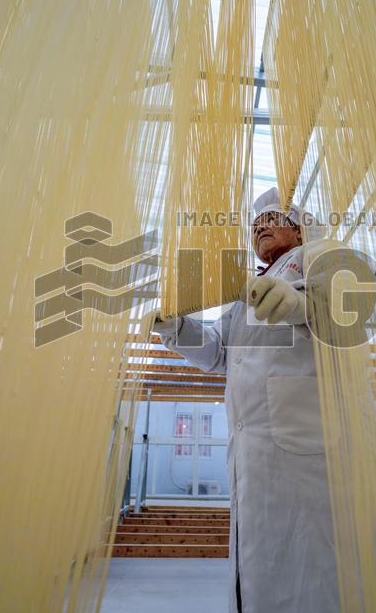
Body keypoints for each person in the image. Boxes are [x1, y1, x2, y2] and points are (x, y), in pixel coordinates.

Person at [149, 187, 339, 612]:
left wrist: (298, 305)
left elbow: (351, 309)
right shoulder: (246, 290)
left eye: (270, 220)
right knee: (258, 565)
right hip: (253, 452)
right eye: (255, 225)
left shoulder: (320, 256)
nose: (258, 228)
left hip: (300, 453)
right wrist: (176, 328)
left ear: (301, 228)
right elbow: (219, 351)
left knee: (310, 566)